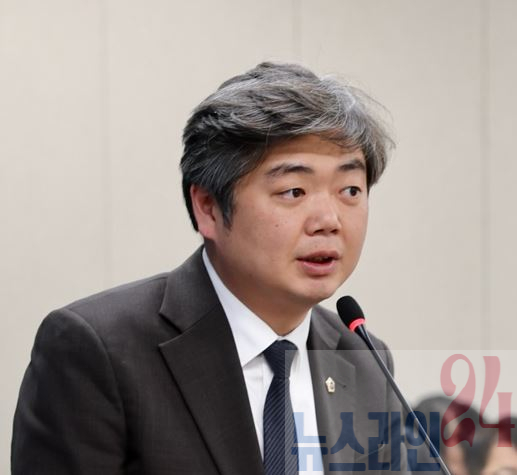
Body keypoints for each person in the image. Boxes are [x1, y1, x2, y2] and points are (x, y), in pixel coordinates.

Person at [12, 62, 403, 474]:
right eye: (293, 191)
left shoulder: (365, 361)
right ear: (208, 208)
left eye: (350, 190)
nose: (329, 220)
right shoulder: (98, 351)